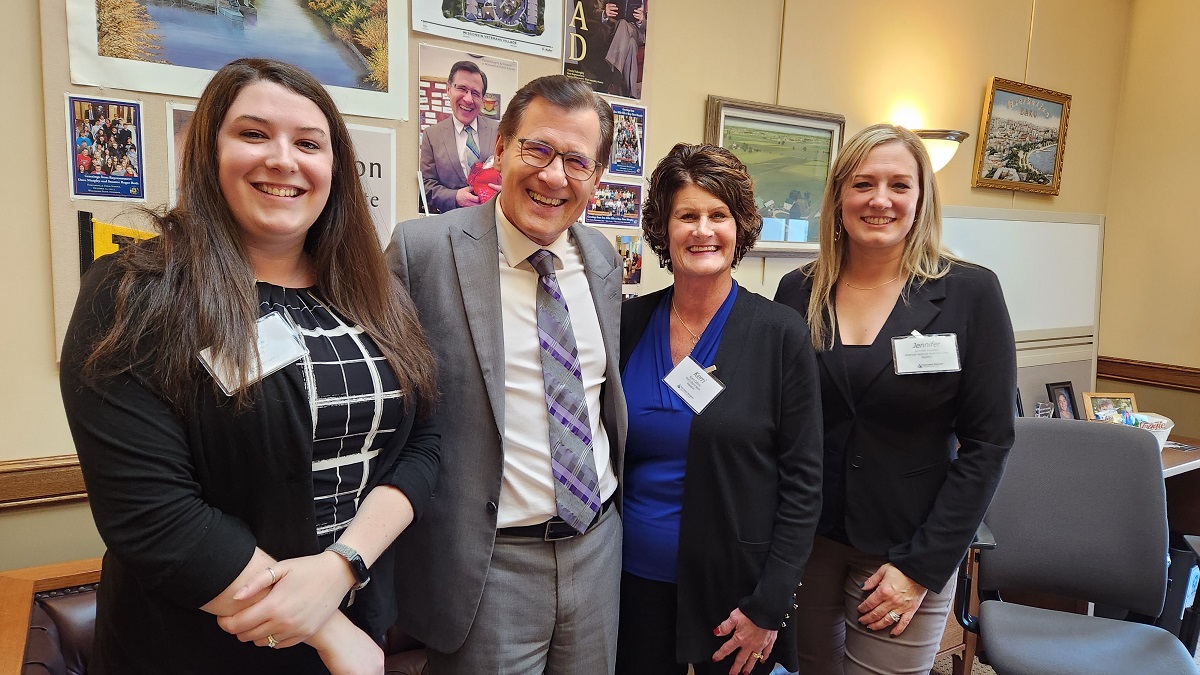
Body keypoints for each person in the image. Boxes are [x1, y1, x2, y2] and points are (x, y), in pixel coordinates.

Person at [59, 58, 440, 675]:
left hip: (357, 625)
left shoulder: (375, 294)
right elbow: (152, 513)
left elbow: (423, 442)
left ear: (334, 169)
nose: (284, 160)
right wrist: (328, 631)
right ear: (207, 153)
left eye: (309, 143)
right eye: (254, 134)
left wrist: (343, 567)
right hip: (202, 644)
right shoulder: (133, 292)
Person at [388, 74, 626, 674]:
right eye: (537, 149)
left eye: (577, 161)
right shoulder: (422, 252)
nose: (553, 176)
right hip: (486, 567)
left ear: (596, 178)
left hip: (596, 552)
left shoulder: (600, 258)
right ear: (501, 148)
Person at [774, 124, 1017, 675]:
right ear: (838, 198)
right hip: (808, 540)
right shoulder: (798, 291)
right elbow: (782, 419)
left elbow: (989, 442)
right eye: (862, 184)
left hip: (909, 547)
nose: (879, 200)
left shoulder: (969, 293)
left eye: (898, 185)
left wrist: (924, 566)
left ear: (921, 199)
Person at [615, 143, 823, 675]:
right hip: (626, 585)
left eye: (718, 216)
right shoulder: (626, 324)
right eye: (687, 215)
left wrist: (771, 602)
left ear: (740, 227)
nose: (703, 230)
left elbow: (803, 483)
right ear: (663, 228)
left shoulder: (780, 334)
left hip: (738, 593)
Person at [419, 60, 500, 213]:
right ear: (448, 89)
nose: (468, 99)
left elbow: (512, 174)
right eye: (462, 88)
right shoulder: (432, 135)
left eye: (475, 93)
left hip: (492, 221)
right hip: (451, 223)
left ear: (482, 99)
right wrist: (454, 197)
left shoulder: (499, 131)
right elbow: (426, 185)